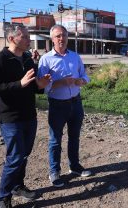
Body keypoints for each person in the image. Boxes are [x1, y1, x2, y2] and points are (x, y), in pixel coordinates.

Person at [0, 25, 51, 208]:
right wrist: (18, 84)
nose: (29, 39)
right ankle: (3, 196)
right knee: (15, 157)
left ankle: (18, 186)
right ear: (12, 39)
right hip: (10, 118)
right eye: (25, 36)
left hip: (29, 115)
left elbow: (31, 86)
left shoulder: (28, 59)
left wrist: (40, 85)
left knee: (24, 155)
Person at [38, 25, 91, 187]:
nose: (62, 39)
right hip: (57, 105)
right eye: (58, 36)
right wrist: (59, 82)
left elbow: (84, 75)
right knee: (55, 140)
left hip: (76, 102)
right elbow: (42, 86)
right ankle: (54, 172)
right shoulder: (45, 59)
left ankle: (74, 166)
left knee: (74, 137)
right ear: (52, 39)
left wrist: (82, 81)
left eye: (64, 36)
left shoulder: (75, 57)